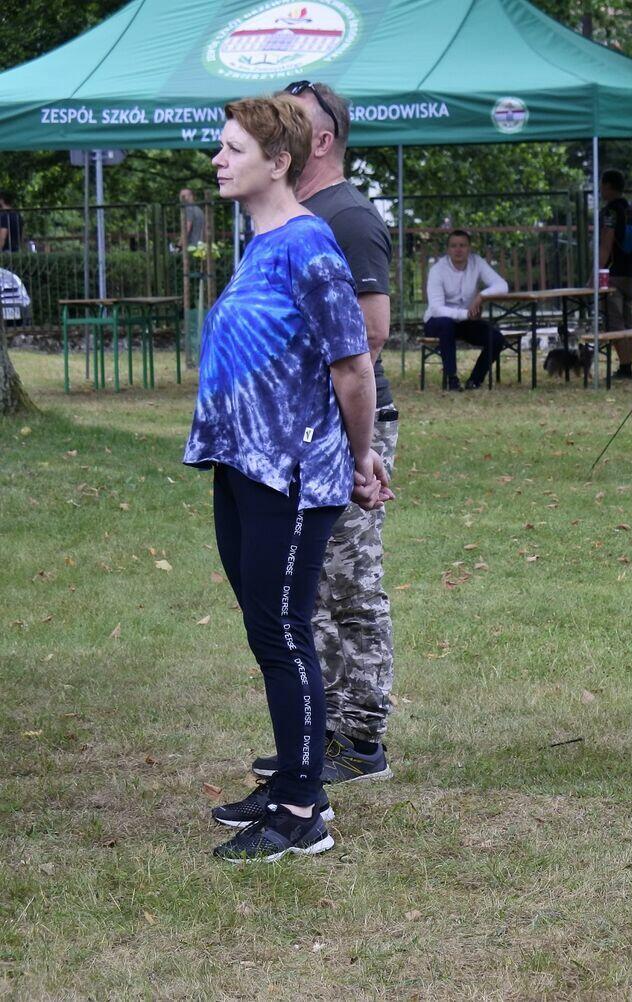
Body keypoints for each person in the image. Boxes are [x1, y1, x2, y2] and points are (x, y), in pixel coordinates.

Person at [183, 94, 391, 862]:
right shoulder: (261, 242)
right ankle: (294, 782)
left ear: (279, 162)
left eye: (233, 148)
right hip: (243, 463)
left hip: (292, 472)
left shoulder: (310, 246)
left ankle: (302, 813)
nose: (218, 159)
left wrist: (362, 457)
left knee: (282, 630)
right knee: (267, 628)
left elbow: (353, 365)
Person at [238, 79, 398, 785]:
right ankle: (316, 732)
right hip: (299, 428)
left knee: (350, 582)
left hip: (347, 422)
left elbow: (371, 333)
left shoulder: (348, 216)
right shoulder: (290, 216)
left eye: (290, 122)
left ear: (321, 139)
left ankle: (360, 740)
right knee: (310, 586)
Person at [423, 230, 509, 391]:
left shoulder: (477, 262)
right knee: (447, 325)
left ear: (469, 248)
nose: (458, 250)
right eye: (454, 246)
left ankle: (475, 380)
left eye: (462, 245)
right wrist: (466, 314)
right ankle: (452, 379)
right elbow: (436, 309)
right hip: (437, 322)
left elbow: (502, 286)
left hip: (465, 322)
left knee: (496, 338)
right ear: (448, 249)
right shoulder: (437, 270)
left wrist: (481, 296)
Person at [598, 169, 632, 379]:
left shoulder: (610, 212)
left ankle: (624, 367)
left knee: (614, 320)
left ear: (608, 185)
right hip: (629, 272)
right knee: (628, 319)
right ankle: (627, 364)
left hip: (612, 274)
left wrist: (596, 273)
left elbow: (606, 244)